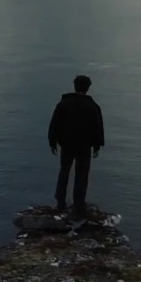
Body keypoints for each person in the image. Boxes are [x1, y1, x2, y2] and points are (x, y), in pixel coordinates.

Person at [48, 74, 105, 214]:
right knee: (82, 174)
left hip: (66, 144)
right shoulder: (93, 106)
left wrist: (53, 141)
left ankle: (60, 201)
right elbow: (98, 127)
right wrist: (97, 145)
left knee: (64, 170)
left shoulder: (63, 104)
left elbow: (54, 124)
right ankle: (79, 203)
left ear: (75, 86)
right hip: (84, 146)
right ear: (88, 88)